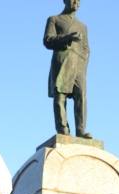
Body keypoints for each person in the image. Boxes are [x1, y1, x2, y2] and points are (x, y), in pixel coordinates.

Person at [44, 0, 91, 138]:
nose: (75, 3)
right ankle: (63, 130)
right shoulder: (54, 19)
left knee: (81, 96)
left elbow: (86, 48)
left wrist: (83, 63)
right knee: (60, 96)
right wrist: (67, 38)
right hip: (62, 62)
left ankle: (81, 131)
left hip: (78, 65)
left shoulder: (82, 26)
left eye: (78, 0)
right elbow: (48, 40)